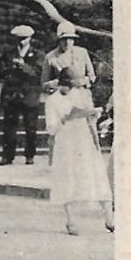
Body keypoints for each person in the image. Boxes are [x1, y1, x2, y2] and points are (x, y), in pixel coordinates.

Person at [46, 65, 115, 235]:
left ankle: (110, 218)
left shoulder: (80, 94)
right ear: (61, 83)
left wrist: (95, 137)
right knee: (67, 178)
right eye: (67, 86)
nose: (70, 90)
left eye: (73, 86)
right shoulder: (52, 101)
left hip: (83, 139)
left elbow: (90, 118)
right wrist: (66, 118)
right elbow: (51, 128)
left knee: (96, 174)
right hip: (65, 141)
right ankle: (71, 221)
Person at [41, 22, 98, 164]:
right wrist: (57, 83)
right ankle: (57, 160)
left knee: (90, 126)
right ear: (59, 40)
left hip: (81, 95)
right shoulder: (51, 57)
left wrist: (82, 81)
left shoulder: (82, 52)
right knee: (61, 129)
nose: (68, 42)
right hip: (64, 97)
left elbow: (92, 76)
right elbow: (44, 83)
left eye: (71, 39)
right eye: (64, 39)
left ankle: (93, 156)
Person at [0, 25, 44, 166]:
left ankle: (30, 155)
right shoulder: (9, 54)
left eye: (24, 39)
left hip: (29, 95)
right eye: (19, 39)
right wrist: (10, 68)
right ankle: (7, 156)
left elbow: (38, 74)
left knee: (31, 127)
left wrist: (23, 66)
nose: (21, 42)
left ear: (30, 39)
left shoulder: (37, 55)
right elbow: (1, 72)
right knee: (9, 127)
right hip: (12, 94)